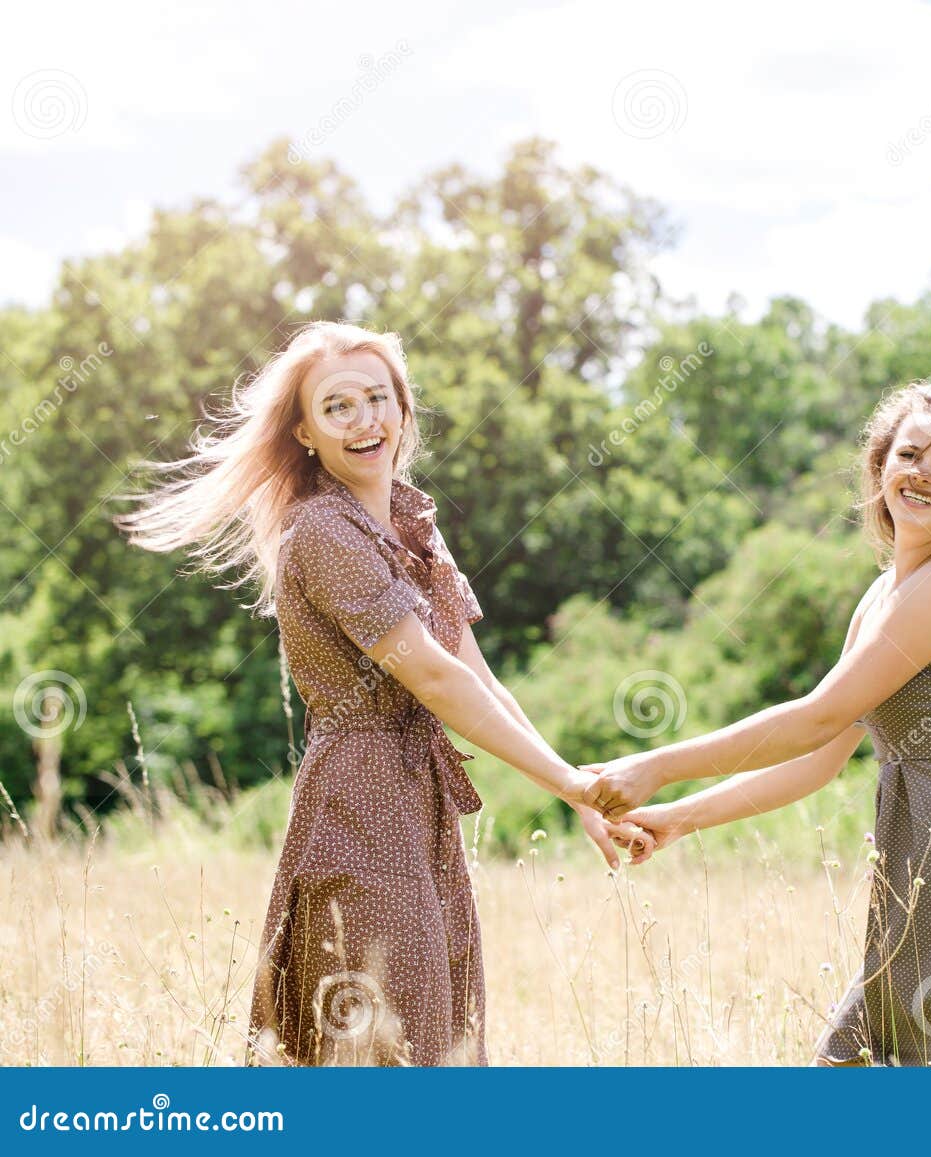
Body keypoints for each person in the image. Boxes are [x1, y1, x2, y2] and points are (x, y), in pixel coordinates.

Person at [118, 321, 646, 1066]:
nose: (365, 419)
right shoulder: (323, 533)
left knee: (438, 1033)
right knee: (381, 1047)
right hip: (358, 805)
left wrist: (578, 791)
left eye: (378, 397)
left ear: (403, 409)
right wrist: (568, 783)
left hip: (422, 807)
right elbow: (433, 676)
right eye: (338, 406)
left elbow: (478, 676)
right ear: (304, 430)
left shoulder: (412, 525)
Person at [589, 380, 931, 1066]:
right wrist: (679, 816)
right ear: (881, 463)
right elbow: (817, 757)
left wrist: (655, 764)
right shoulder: (889, 590)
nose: (920, 473)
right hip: (926, 872)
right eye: (909, 453)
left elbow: (815, 716)